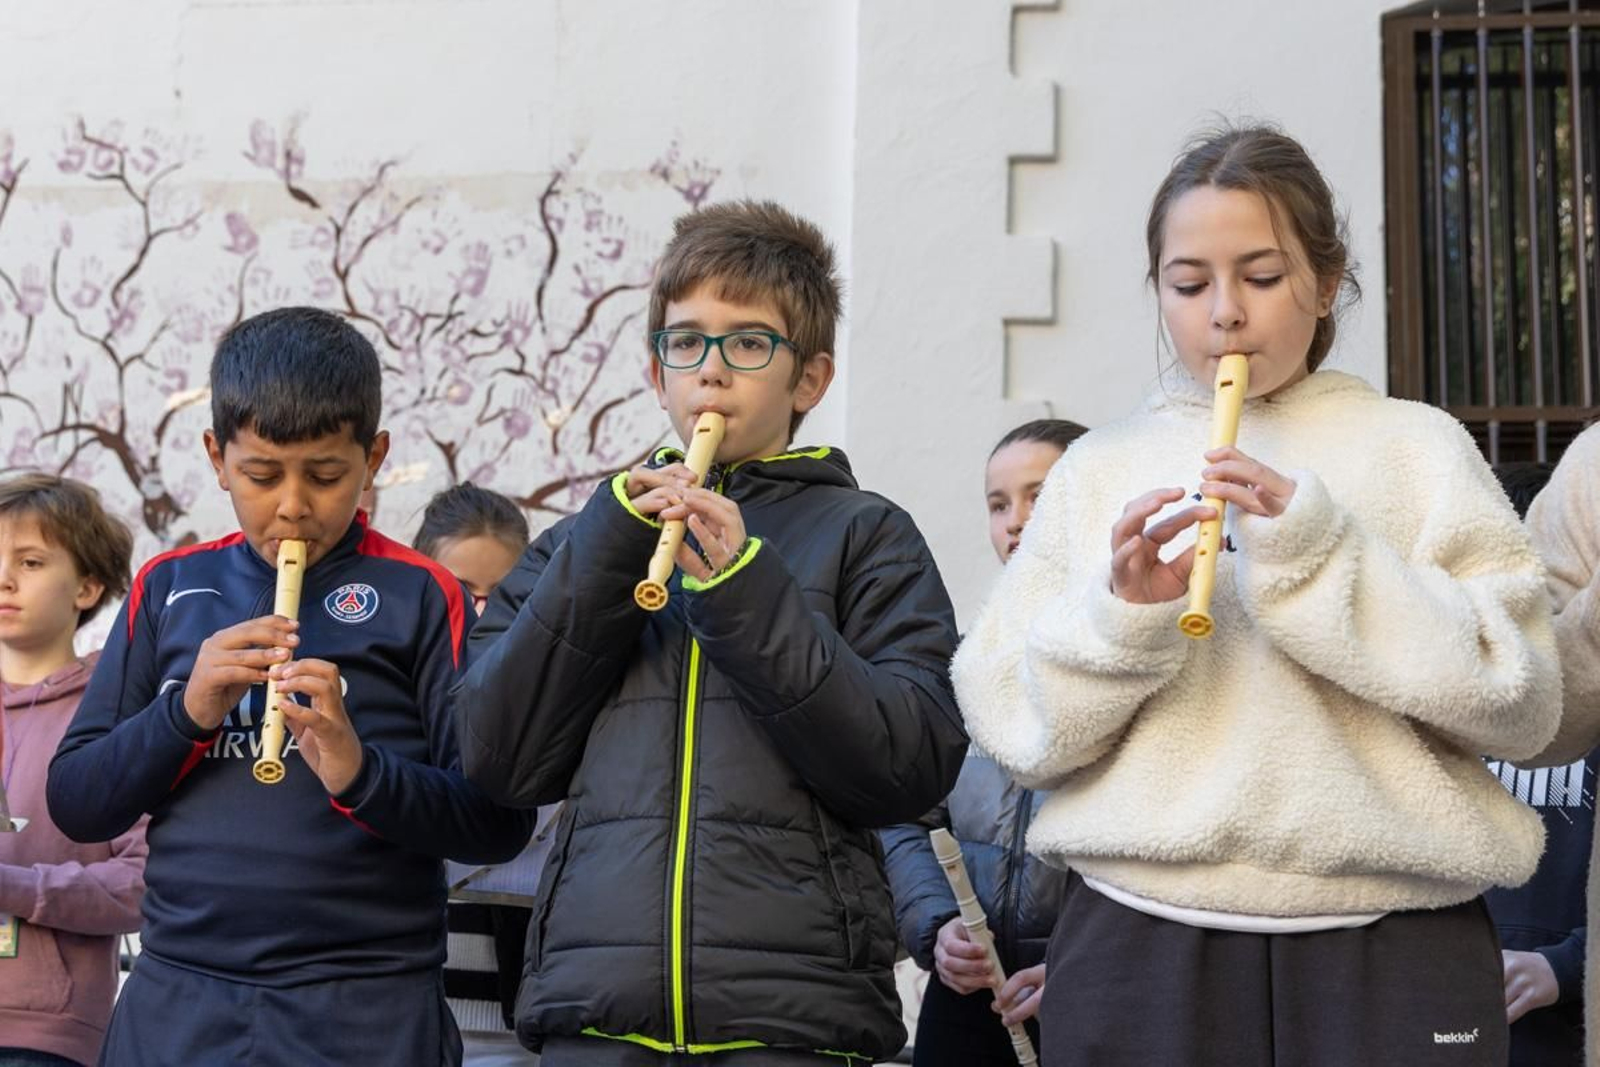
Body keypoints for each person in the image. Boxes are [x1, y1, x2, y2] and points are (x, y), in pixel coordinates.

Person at [952, 125, 1560, 1067]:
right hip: (1139, 935)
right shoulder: (1097, 467)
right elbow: (1010, 722)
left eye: (1262, 276)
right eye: (1188, 284)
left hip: (1397, 935)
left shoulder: (1419, 447)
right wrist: (1122, 617)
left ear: (1325, 282)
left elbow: (1519, 698)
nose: (1224, 313)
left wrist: (1322, 556)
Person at [455, 200, 968, 1066]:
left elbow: (908, 766)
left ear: (808, 380)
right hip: (596, 1007)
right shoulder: (583, 542)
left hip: (794, 1018)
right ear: (657, 374)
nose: (712, 370)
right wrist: (605, 552)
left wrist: (745, 592)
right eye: (685, 341)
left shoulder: (868, 535)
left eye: (748, 342)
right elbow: (497, 755)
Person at [47, 306, 533, 1066]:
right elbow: (79, 801)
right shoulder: (170, 584)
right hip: (181, 997)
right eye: (262, 475)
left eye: (328, 474)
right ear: (217, 456)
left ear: (374, 457)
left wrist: (359, 770)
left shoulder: (421, 595)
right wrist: (188, 709)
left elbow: (498, 821)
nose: (294, 505)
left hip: (368, 1004)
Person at [881, 418, 1085, 1065]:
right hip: (968, 992)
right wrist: (936, 925)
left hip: (1090, 988)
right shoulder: (967, 666)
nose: (1016, 520)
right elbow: (909, 815)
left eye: (1040, 495)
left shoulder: (1144, 661)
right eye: (999, 504)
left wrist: (1089, 963)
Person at [0, 474, 144, 1067]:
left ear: (88, 586)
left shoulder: (118, 720)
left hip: (43, 1040)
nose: (3, 579)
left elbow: (143, 883)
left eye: (29, 561)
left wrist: (15, 885)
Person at [414, 483, 546, 1067]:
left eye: (504, 595)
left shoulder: (555, 706)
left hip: (527, 1028)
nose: (482, 615)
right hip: (414, 1015)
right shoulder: (392, 707)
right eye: (462, 593)